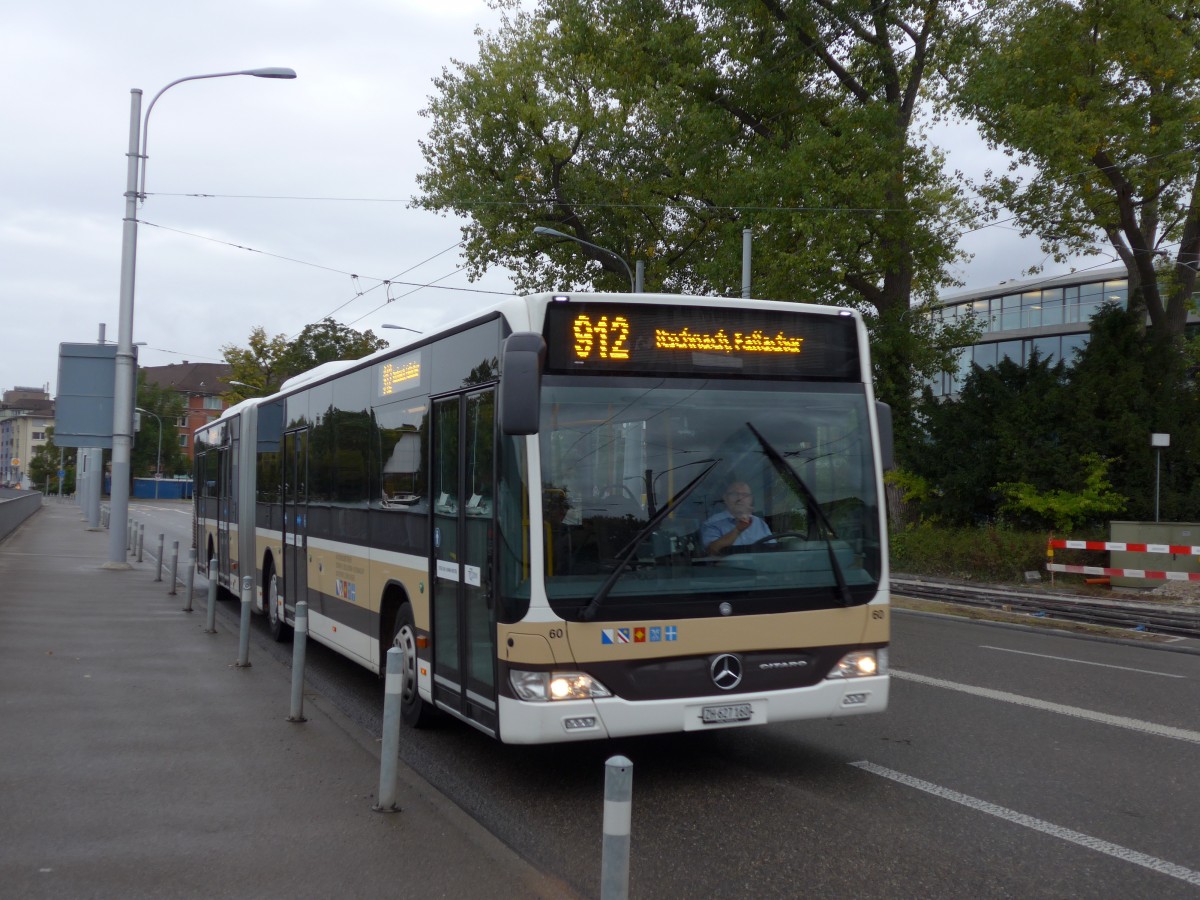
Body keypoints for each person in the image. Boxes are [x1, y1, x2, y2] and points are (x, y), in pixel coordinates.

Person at [701, 481, 772, 555]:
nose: (740, 498)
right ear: (725, 498)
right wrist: (737, 530)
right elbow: (711, 551)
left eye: (744, 495)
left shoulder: (760, 523)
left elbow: (773, 550)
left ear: (750, 499)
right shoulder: (712, 523)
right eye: (734, 494)